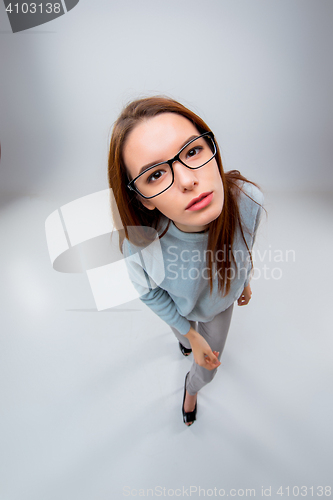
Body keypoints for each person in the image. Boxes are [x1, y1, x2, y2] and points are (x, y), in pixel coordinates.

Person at [108, 96, 264, 426]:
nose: (187, 181)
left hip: (219, 305)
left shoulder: (250, 202)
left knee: (206, 368)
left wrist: (244, 279)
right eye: (155, 175)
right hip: (180, 308)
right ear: (142, 200)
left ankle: (191, 390)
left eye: (192, 151)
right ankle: (183, 340)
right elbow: (149, 292)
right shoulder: (141, 245)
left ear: (212, 149)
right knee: (184, 337)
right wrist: (190, 336)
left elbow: (244, 246)